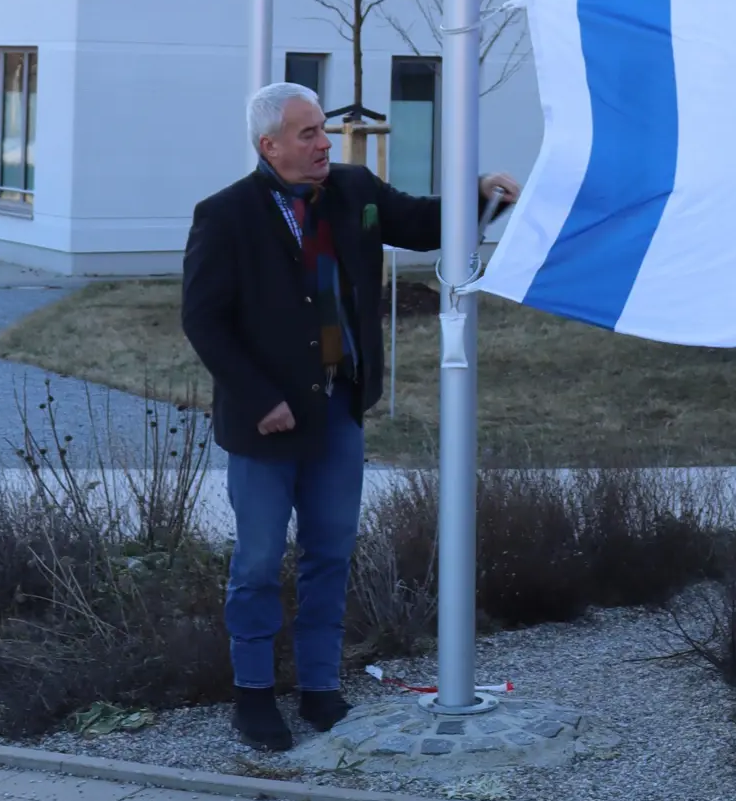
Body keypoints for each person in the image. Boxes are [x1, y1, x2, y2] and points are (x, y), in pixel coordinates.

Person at [182, 82, 520, 751]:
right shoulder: (225, 215)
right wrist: (260, 399)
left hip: (338, 409)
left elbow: (421, 223)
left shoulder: (355, 191)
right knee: (257, 562)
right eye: (307, 134)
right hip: (266, 423)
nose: (324, 144)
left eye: (323, 130)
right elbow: (204, 321)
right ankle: (253, 695)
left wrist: (482, 195)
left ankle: (319, 688)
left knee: (330, 553)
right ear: (269, 145)